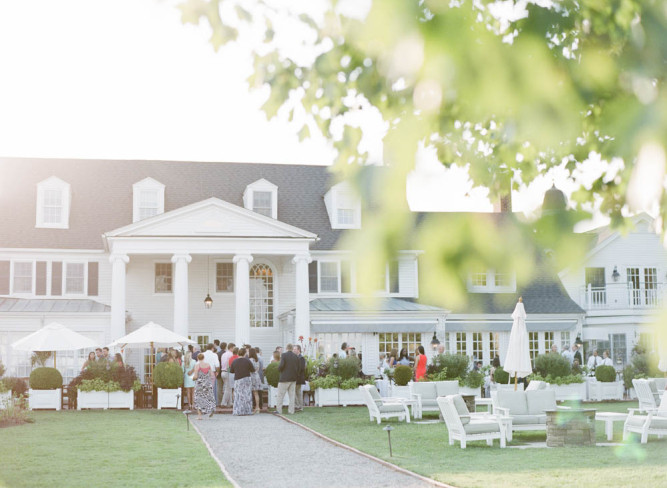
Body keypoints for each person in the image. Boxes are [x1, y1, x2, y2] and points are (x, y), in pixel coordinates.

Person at [229, 347, 255, 416]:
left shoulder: (234, 361)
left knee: (238, 395)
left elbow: (231, 371)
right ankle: (247, 410)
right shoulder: (247, 361)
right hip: (246, 378)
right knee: (247, 395)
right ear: (245, 354)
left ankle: (238, 410)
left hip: (238, 379)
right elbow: (253, 370)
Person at [276, 343, 300, 414]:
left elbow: (281, 365)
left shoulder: (284, 355)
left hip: (284, 378)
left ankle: (279, 410)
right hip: (293, 378)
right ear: (292, 348)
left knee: (280, 395)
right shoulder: (296, 356)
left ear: (286, 348)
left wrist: (279, 369)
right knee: (292, 396)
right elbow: (298, 368)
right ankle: (291, 411)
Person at [193, 353, 216, 420]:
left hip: (200, 384)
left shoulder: (197, 365)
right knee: (209, 397)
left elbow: (195, 376)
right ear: (203, 358)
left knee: (198, 398)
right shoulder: (208, 365)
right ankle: (211, 408)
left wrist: (193, 378)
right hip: (207, 383)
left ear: (197, 358)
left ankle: (199, 416)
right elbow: (211, 375)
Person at [220, 343, 235, 407]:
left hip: (222, 371)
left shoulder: (224, 354)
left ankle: (230, 402)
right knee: (228, 388)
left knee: (228, 387)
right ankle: (223, 403)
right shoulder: (231, 354)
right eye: (234, 348)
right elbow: (229, 364)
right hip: (227, 372)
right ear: (231, 348)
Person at [248, 348, 262, 414]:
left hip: (251, 376)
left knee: (250, 393)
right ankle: (257, 407)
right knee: (256, 393)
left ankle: (251, 407)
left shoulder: (250, 360)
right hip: (257, 375)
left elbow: (249, 369)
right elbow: (258, 368)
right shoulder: (257, 360)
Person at [294, 344, 306, 412]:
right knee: (297, 393)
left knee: (296, 392)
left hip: (298, 378)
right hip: (297, 377)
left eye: (295, 349)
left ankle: (298, 406)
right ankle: (299, 406)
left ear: (298, 350)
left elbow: (301, 368)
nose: (293, 350)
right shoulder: (297, 357)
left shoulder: (301, 358)